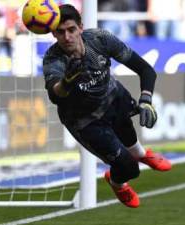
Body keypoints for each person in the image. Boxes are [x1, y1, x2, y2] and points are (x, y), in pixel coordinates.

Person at [42, 4, 172, 208]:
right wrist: (67, 81)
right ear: (53, 34)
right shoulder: (54, 59)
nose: (67, 37)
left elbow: (146, 70)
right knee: (130, 169)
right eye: (60, 32)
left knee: (128, 132)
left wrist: (146, 100)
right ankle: (117, 182)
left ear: (81, 28)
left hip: (113, 96)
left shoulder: (100, 39)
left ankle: (141, 154)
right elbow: (55, 95)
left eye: (71, 30)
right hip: (84, 119)